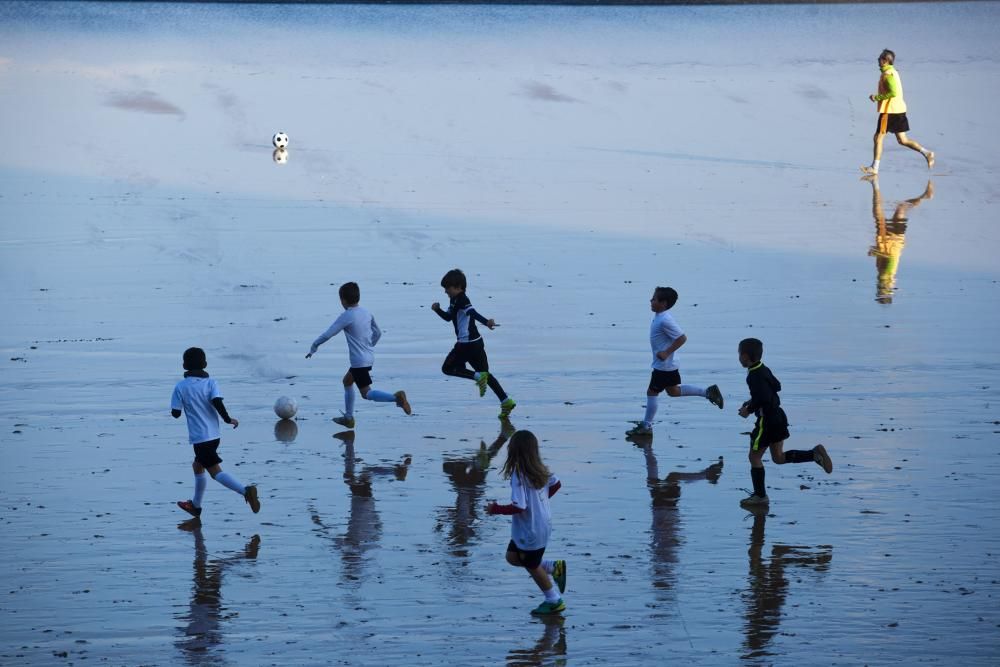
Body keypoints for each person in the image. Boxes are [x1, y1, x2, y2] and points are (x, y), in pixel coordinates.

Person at [737, 338, 833, 508]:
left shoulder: (753, 375)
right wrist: (752, 401)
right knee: (778, 457)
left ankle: (760, 496)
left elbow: (763, 397)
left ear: (745, 356)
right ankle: (814, 454)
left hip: (766, 422)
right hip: (779, 417)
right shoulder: (763, 368)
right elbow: (776, 386)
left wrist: (748, 409)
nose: (738, 357)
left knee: (754, 457)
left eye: (739, 354)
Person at [306, 281, 411, 428]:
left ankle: (396, 398)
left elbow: (328, 334)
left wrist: (314, 346)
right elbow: (378, 333)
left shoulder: (347, 316)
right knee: (347, 381)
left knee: (366, 393)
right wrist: (369, 346)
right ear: (358, 297)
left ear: (342, 300)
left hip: (359, 361)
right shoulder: (367, 313)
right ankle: (349, 418)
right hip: (369, 358)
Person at [172, 347, 260, 517]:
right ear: (205, 364)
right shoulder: (211, 383)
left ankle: (245, 491)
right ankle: (195, 506)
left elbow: (175, 414)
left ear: (184, 365)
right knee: (198, 466)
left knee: (215, 472)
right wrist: (228, 419)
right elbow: (217, 402)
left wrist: (183, 404)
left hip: (200, 438)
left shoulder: (180, 387)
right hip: (214, 436)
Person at [485, 430, 566, 615]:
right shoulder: (540, 469)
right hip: (541, 524)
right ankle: (554, 567)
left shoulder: (518, 475)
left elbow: (519, 507)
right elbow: (557, 484)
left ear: (513, 451)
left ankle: (554, 600)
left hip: (531, 530)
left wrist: (495, 509)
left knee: (531, 564)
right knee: (512, 557)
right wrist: (541, 503)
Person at [626, 287, 724, 438]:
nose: (651, 301)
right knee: (673, 391)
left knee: (652, 392)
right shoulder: (660, 316)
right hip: (668, 365)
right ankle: (708, 392)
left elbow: (682, 338)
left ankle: (646, 426)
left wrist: (666, 353)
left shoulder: (665, 320)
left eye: (654, 299)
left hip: (664, 366)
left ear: (663, 303)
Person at [432, 268, 516, 418]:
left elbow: (472, 313)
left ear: (459, 287)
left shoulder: (463, 300)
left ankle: (478, 377)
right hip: (476, 343)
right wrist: (437, 310)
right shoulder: (454, 300)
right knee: (486, 375)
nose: (445, 291)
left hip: (465, 345)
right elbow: (448, 317)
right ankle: (505, 401)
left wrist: (487, 322)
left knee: (448, 368)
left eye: (447, 288)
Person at [861, 49, 934, 176]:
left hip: (890, 111)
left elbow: (893, 92)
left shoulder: (888, 74)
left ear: (885, 61)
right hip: (899, 110)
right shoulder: (893, 72)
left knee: (878, 137)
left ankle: (875, 168)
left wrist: (876, 97)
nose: (877, 60)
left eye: (880, 58)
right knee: (903, 140)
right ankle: (927, 153)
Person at [866, 177, 934, 304]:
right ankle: (875, 185)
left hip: (890, 240)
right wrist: (875, 252)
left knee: (895, 209)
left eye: (880, 289)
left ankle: (925, 196)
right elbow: (891, 257)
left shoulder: (884, 276)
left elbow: (886, 258)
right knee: (892, 210)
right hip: (893, 240)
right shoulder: (888, 275)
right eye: (883, 290)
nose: (881, 287)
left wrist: (877, 251)